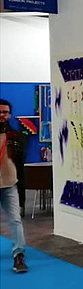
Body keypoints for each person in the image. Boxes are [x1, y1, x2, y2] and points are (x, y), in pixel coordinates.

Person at [0, 99, 28, 273]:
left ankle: (19, 255)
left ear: (10, 115)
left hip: (10, 184)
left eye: (5, 112)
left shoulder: (16, 137)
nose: (2, 115)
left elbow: (20, 162)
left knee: (15, 220)